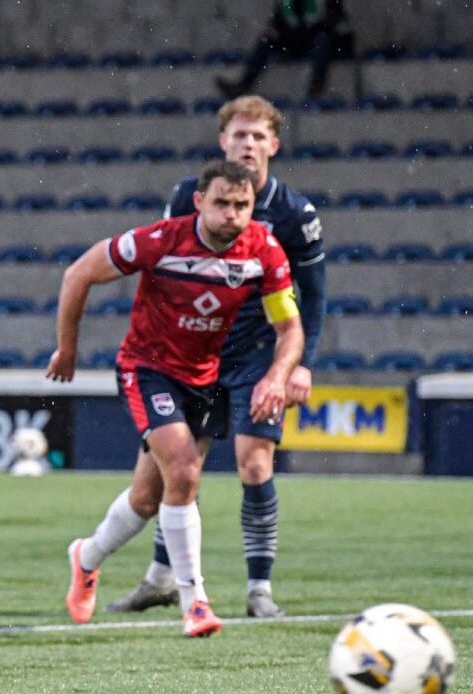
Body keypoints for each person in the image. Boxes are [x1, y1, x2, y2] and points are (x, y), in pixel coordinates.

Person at [46, 160, 303, 638]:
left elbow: (289, 326)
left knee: (148, 498)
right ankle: (196, 603)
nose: (232, 214)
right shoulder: (158, 241)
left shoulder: (264, 252)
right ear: (199, 202)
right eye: (222, 203)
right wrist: (67, 347)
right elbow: (77, 274)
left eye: (242, 205)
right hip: (148, 368)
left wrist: (277, 375)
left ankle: (86, 556)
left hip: (205, 379)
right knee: (184, 471)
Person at [107, 95, 326, 619]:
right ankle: (161, 578)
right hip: (189, 351)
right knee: (177, 469)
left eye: (257, 136)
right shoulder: (189, 195)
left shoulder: (295, 214)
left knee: (255, 463)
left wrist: (297, 364)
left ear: (274, 145)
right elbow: (162, 267)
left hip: (256, 353)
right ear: (222, 142)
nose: (247, 144)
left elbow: (312, 296)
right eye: (238, 135)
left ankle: (259, 591)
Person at [216, 0, 353, 100]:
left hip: (319, 41)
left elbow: (334, 24)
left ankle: (317, 85)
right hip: (296, 41)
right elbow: (277, 21)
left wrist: (308, 31)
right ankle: (243, 84)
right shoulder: (286, 2)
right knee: (266, 40)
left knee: (322, 40)